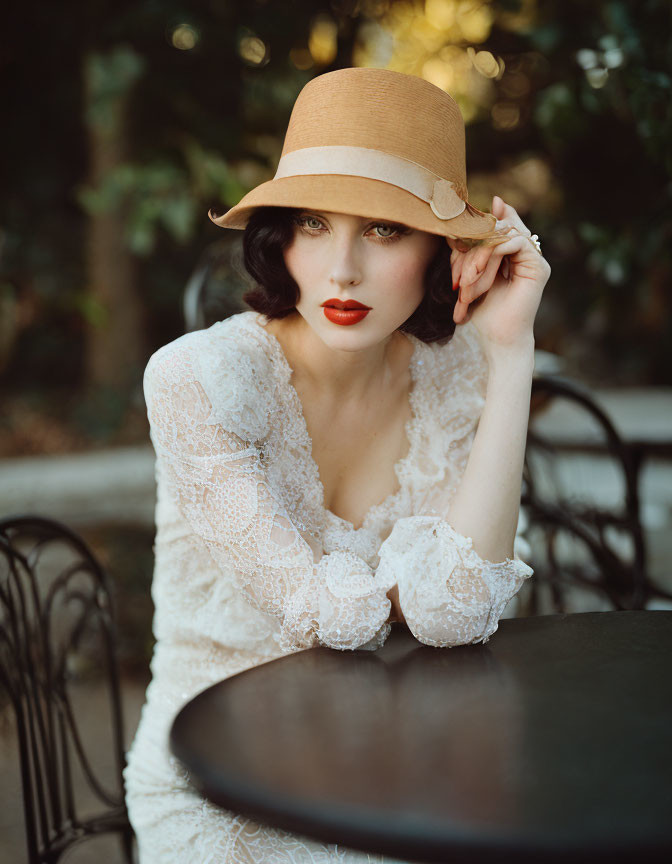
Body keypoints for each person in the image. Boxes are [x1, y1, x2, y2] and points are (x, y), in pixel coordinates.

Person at [123, 66, 550, 863]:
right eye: (314, 224)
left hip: (397, 760)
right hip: (220, 775)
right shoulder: (198, 380)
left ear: (444, 251)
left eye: (384, 230)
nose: (342, 268)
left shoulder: (458, 371)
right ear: (279, 236)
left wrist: (511, 349)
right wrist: (409, 590)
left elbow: (455, 616)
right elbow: (334, 616)